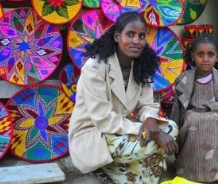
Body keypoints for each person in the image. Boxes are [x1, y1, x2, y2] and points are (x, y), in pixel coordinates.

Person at [68, 11, 179, 184]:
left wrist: (150, 118)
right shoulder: (95, 67)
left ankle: (121, 171)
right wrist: (150, 131)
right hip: (95, 134)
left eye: (141, 36)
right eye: (130, 34)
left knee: (171, 128)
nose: (136, 41)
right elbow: (103, 119)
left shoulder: (142, 65)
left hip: (122, 131)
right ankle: (111, 166)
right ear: (117, 36)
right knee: (153, 141)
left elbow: (147, 104)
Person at [170, 33, 218, 183]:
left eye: (210, 54)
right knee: (192, 118)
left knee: (212, 119)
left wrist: (210, 107)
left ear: (217, 57)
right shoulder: (183, 78)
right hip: (190, 115)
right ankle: (189, 169)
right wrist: (172, 132)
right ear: (193, 56)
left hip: (215, 115)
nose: (205, 59)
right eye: (200, 54)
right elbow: (177, 108)